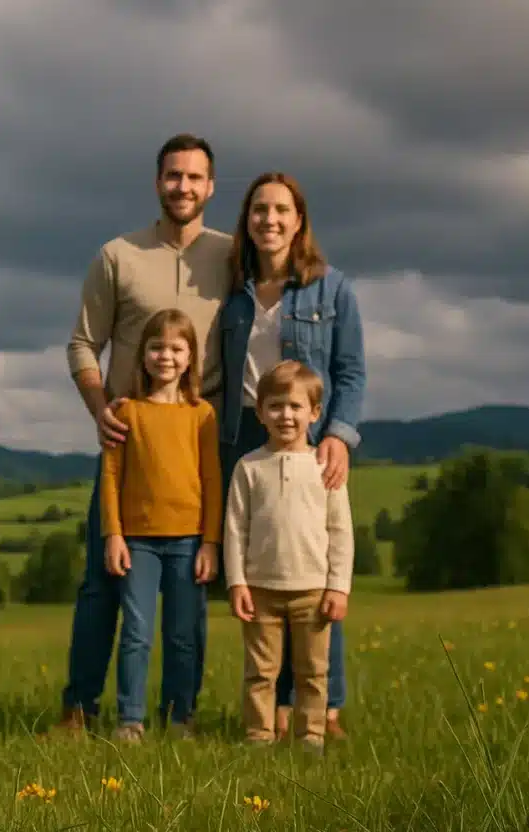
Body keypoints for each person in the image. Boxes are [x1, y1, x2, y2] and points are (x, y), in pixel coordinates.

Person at [56, 133, 232, 735]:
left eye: (194, 177)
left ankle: (185, 716)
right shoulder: (118, 256)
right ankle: (80, 709)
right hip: (128, 443)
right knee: (102, 586)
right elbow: (83, 341)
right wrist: (99, 405)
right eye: (172, 175)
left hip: (202, 438)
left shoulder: (232, 257)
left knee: (195, 601)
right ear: (157, 182)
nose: (182, 186)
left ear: (211, 187)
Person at [215, 171, 366, 740]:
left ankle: (324, 712)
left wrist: (339, 435)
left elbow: (350, 371)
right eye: (259, 210)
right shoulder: (233, 294)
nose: (269, 220)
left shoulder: (333, 290)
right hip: (247, 438)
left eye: (281, 210)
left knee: (317, 571)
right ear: (246, 220)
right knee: (269, 571)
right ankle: (273, 715)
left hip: (312, 438)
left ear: (299, 220)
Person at [98, 308, 222, 741]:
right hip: (138, 542)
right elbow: (110, 476)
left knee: (184, 635)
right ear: (142, 354)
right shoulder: (126, 411)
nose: (165, 356)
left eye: (175, 348)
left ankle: (180, 718)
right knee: (135, 633)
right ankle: (130, 719)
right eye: (156, 347)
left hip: (189, 541)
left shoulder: (202, 414)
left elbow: (212, 479)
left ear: (190, 357)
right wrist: (113, 534)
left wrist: (210, 542)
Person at [223, 359, 354, 751]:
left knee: (313, 671)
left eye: (296, 407)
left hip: (313, 590)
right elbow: (234, 529)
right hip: (260, 588)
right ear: (260, 412)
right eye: (276, 406)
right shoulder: (248, 467)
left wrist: (339, 588)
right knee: (260, 671)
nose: (286, 415)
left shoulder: (325, 467)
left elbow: (340, 532)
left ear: (315, 413)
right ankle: (259, 734)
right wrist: (236, 582)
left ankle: (311, 735)